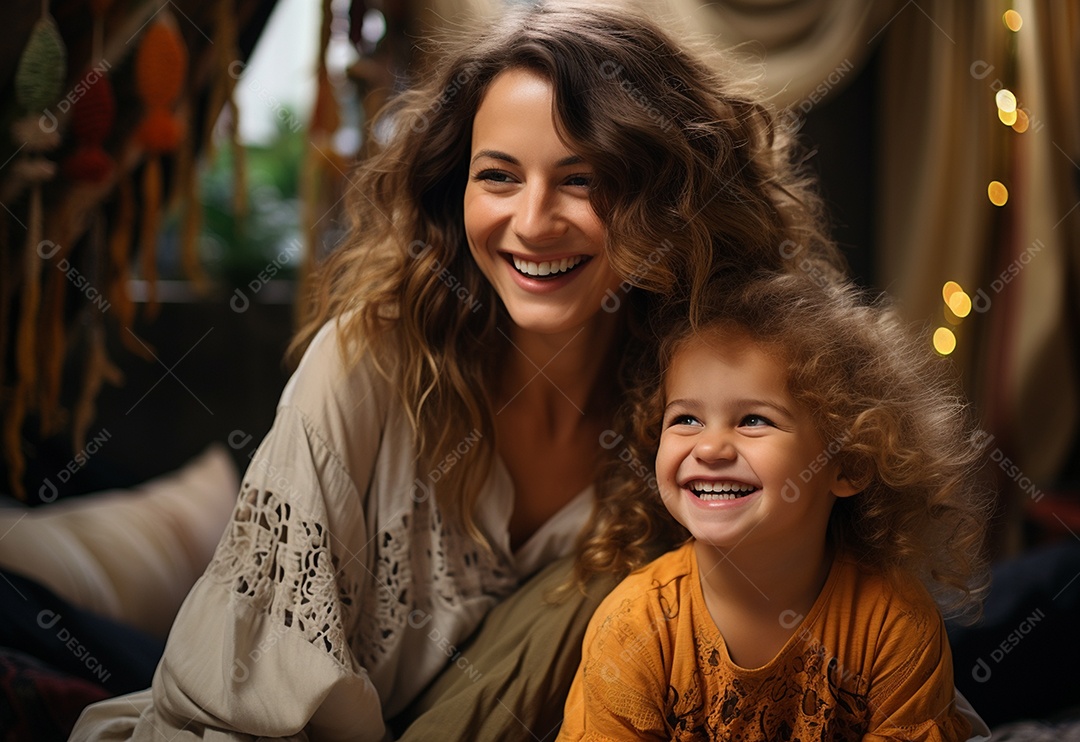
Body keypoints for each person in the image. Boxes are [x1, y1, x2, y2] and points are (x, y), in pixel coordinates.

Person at [69, 2, 986, 740]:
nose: (532, 221)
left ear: (664, 203)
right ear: (452, 188)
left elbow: (844, 626)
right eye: (498, 175)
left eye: (582, 180)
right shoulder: (368, 365)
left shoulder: (706, 395)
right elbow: (242, 683)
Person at [557, 271, 993, 740]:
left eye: (752, 420)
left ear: (848, 465)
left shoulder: (893, 620)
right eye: (685, 418)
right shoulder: (634, 628)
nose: (710, 448)